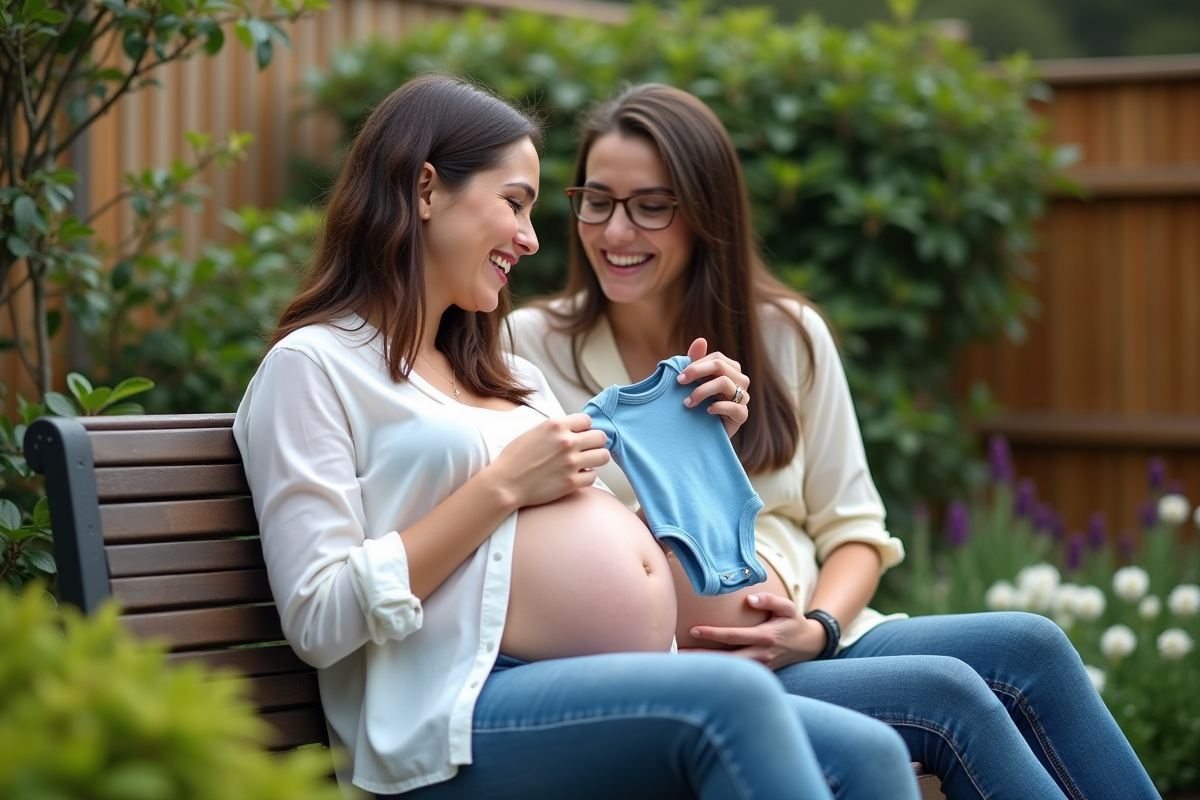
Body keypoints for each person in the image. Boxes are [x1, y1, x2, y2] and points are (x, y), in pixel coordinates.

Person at [232, 74, 923, 800]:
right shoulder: (313, 367)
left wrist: (699, 443)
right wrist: (499, 488)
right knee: (730, 704)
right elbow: (318, 615)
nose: (532, 239)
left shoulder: (506, 373)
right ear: (426, 190)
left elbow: (610, 541)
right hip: (456, 702)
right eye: (514, 204)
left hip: (616, 673)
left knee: (871, 755)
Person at [507, 82, 1161, 800]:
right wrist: (686, 450)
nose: (615, 232)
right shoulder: (529, 348)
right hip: (694, 668)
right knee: (949, 695)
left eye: (651, 206)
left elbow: (855, 531)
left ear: (704, 215)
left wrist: (815, 627)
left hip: (818, 636)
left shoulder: (787, 336)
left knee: (1031, 645)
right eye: (596, 201)